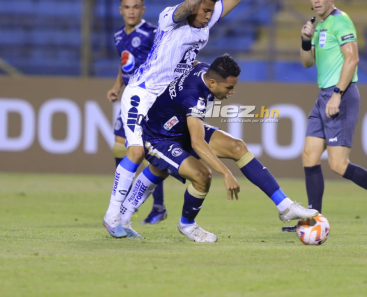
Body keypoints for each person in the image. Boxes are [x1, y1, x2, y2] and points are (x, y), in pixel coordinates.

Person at [103, 0, 244, 238]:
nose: (207, 16)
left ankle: (126, 216)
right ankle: (112, 214)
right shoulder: (171, 18)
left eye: (209, 12)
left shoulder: (205, 22)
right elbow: (190, 3)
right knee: (137, 150)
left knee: (161, 164)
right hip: (142, 93)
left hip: (165, 102)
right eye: (204, 11)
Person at [119, 55, 318, 241]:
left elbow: (193, 63)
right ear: (212, 83)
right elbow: (197, 142)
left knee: (237, 147)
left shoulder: (205, 70)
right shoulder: (194, 97)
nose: (231, 92)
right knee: (201, 175)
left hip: (180, 127)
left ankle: (285, 206)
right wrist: (225, 173)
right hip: (159, 137)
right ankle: (187, 225)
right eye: (229, 87)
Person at [282, 0, 367, 234]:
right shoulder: (317, 23)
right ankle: (313, 219)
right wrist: (306, 40)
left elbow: (353, 59)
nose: (316, 0)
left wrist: (338, 94)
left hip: (342, 95)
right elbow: (307, 62)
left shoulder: (341, 21)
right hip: (323, 96)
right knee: (309, 156)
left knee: (338, 164)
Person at [106, 0, 167, 225]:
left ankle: (157, 207)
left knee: (146, 153)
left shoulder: (152, 33)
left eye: (135, 7)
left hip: (148, 99)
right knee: (118, 148)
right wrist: (116, 86)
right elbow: (124, 64)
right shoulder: (119, 36)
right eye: (127, 7)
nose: (131, 11)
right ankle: (124, 200)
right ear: (121, 10)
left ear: (142, 9)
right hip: (129, 98)